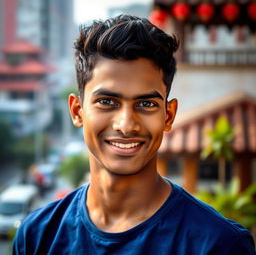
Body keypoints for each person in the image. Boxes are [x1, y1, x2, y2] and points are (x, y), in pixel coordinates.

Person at [13, 15, 255, 255]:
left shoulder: (219, 245)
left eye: (146, 104)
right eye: (107, 101)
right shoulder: (37, 236)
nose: (127, 125)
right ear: (77, 111)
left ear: (168, 116)